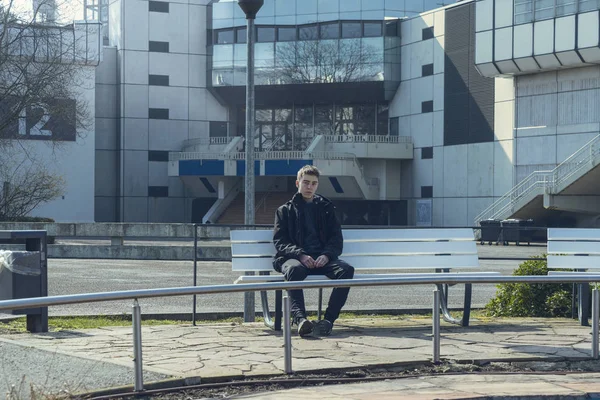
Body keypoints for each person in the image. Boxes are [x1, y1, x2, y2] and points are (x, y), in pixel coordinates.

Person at [272, 165, 354, 337]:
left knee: (346, 270)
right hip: (295, 259)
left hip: (321, 259)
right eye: (306, 182)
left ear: (317, 185)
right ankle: (300, 320)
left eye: (314, 183)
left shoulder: (326, 208)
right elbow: (280, 242)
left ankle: (328, 321)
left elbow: (336, 239)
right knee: (294, 270)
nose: (309, 187)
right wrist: (300, 254)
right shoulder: (284, 211)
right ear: (297, 183)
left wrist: (327, 255)